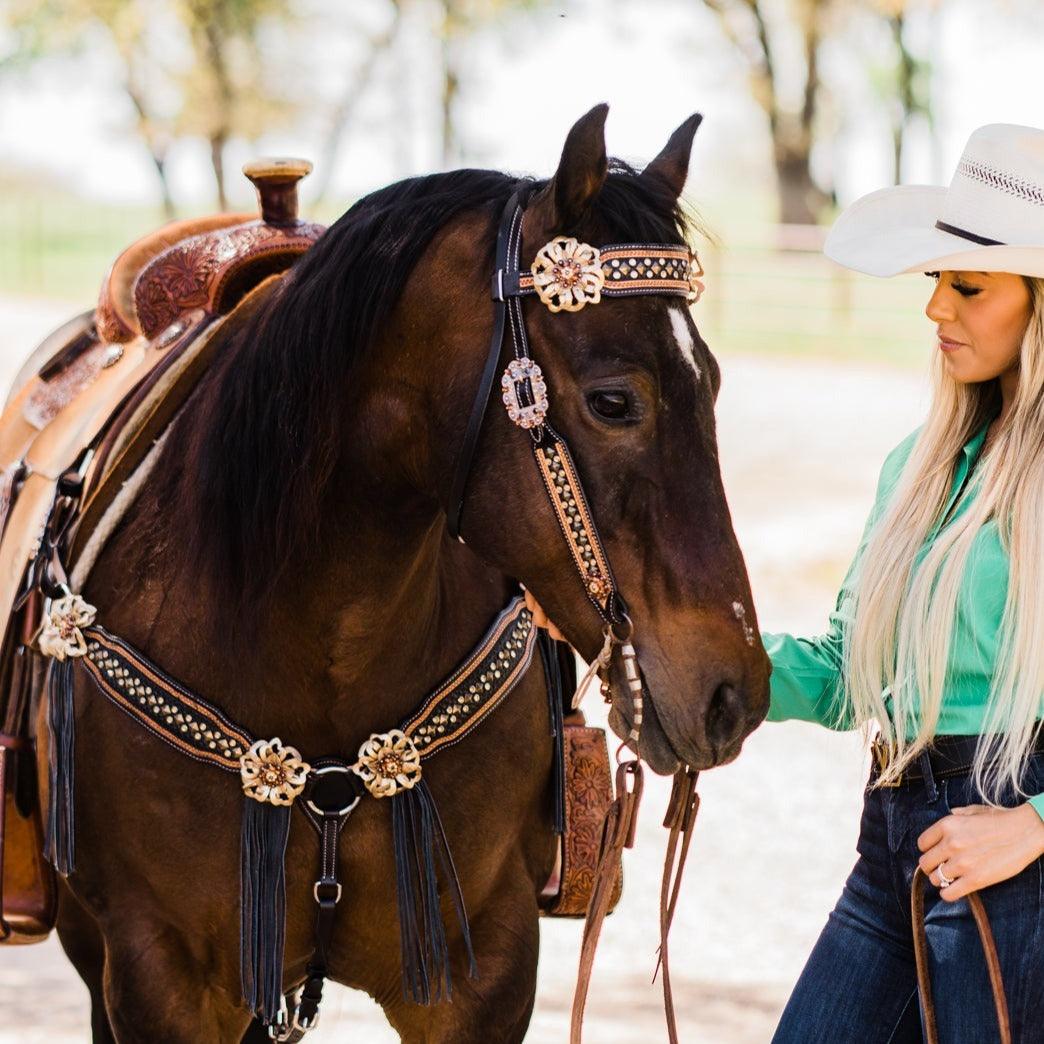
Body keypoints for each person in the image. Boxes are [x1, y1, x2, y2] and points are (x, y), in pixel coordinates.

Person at [526, 123, 1044, 1042]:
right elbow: (853, 676)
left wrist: (1033, 826)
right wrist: (667, 652)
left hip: (1012, 853)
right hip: (890, 841)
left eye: (968, 286)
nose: (936, 311)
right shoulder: (917, 470)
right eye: (935, 282)